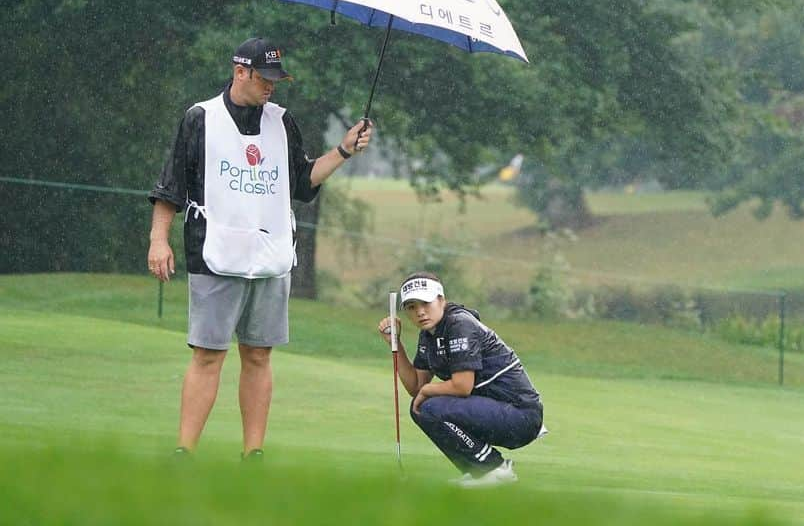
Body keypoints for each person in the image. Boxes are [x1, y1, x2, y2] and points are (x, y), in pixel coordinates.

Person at [147, 36, 374, 460]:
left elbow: (303, 183)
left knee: (258, 355)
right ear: (240, 72)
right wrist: (158, 240)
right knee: (208, 355)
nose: (271, 87)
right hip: (215, 255)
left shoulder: (282, 122)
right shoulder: (201, 118)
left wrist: (344, 149)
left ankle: (254, 453)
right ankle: (184, 450)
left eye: (276, 79)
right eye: (264, 78)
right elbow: (171, 186)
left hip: (269, 259)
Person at [378, 272, 545, 487]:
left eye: (426, 303)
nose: (420, 312)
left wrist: (428, 391)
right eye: (411, 306)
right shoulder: (430, 334)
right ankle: (480, 470)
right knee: (421, 407)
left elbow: (462, 386)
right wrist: (395, 343)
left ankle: (493, 469)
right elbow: (416, 386)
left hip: (520, 415)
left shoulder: (459, 324)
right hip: (496, 410)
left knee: (429, 407)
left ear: (441, 300)